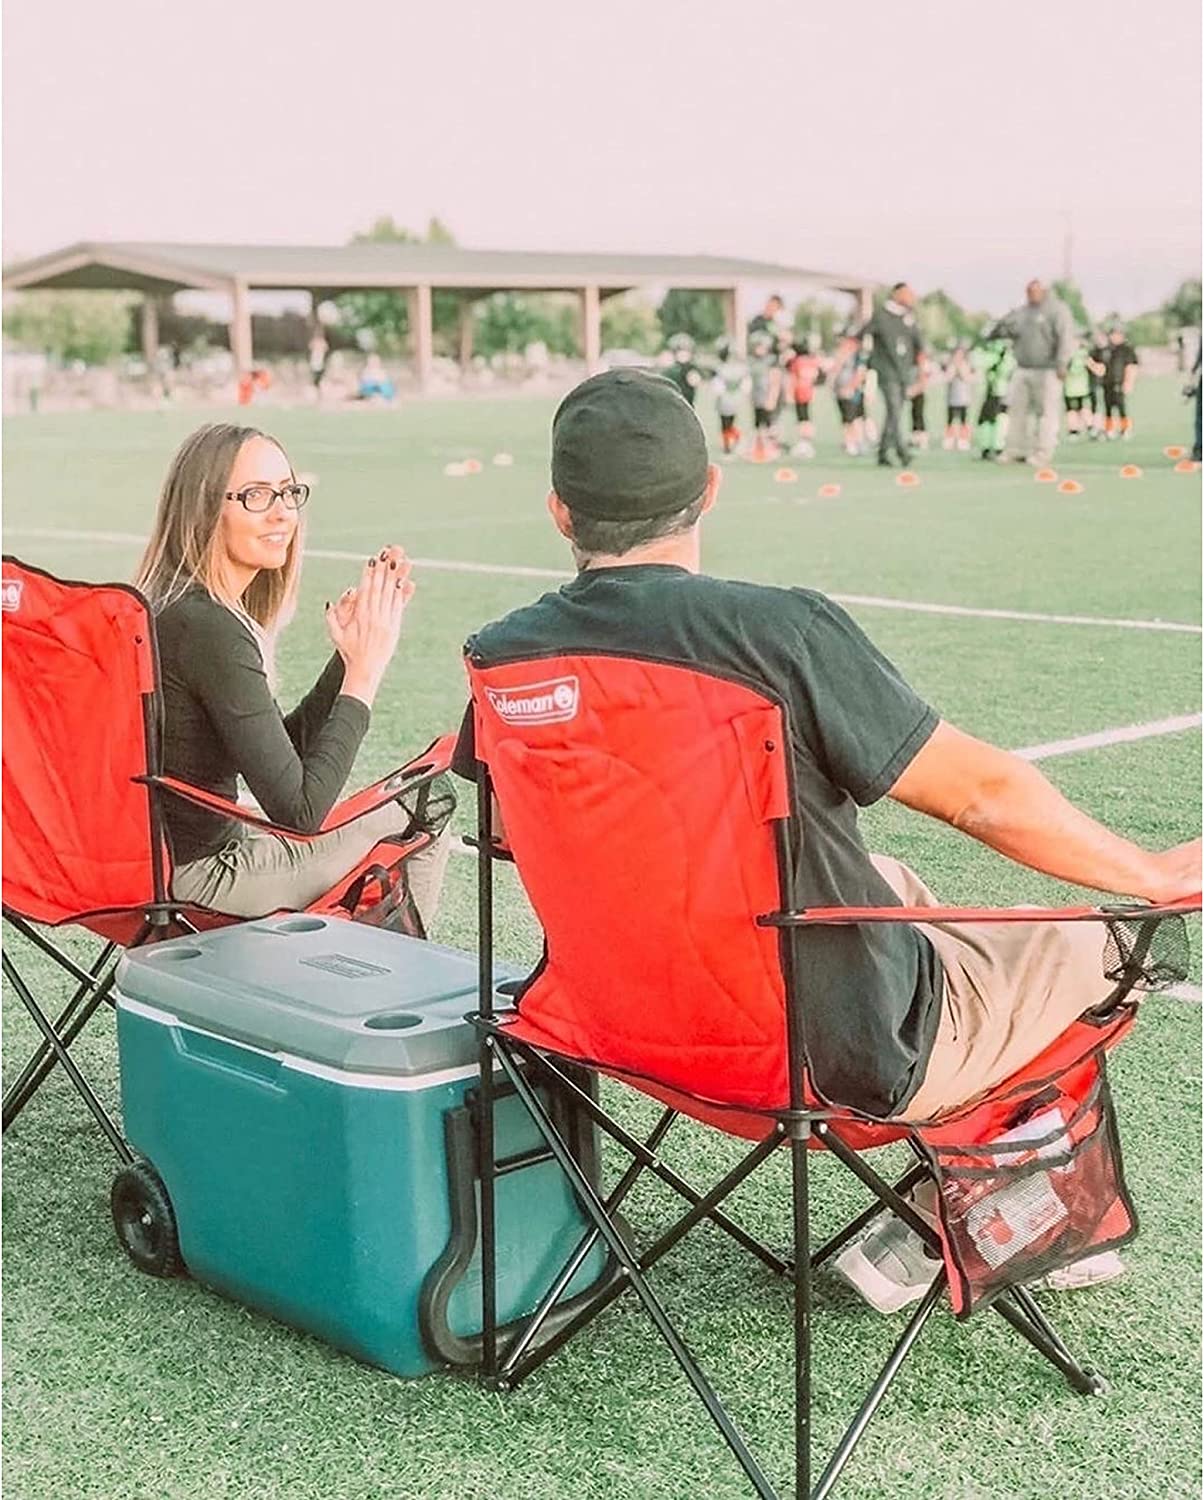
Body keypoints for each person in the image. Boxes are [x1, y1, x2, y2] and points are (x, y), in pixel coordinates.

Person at [452, 369, 1198, 1306]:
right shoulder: (777, 633)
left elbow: (522, 835)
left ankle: (960, 1208)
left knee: (889, 880)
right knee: (1106, 935)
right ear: (711, 488)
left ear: (560, 512)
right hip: (822, 1057)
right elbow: (984, 797)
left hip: (612, 1030)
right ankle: (982, 1211)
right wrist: (1149, 872)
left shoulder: (502, 656)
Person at [133, 422, 452, 924]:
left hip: (137, 865)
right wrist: (364, 675)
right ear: (203, 507)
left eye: (288, 491)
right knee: (422, 811)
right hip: (199, 877)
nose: (284, 512)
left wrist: (345, 661)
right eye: (257, 495)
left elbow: (274, 761)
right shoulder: (210, 628)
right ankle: (391, 988)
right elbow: (301, 812)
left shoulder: (163, 606)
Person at [990, 280, 1075, 465]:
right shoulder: (1022, 312)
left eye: (1034, 290)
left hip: (1048, 369)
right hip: (1023, 367)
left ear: (1044, 291)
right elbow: (1007, 330)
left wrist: (1062, 363)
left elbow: (1066, 337)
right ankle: (1015, 449)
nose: (1031, 294)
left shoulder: (1057, 310)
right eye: (1028, 291)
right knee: (1017, 412)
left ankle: (1043, 452)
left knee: (1046, 413)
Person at [852, 282, 925, 468]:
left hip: (904, 373)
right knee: (894, 409)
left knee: (896, 412)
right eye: (907, 294)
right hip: (886, 372)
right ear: (896, 294)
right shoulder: (880, 316)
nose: (911, 298)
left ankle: (883, 452)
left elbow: (919, 348)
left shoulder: (908, 319)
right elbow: (858, 337)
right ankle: (902, 451)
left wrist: (922, 375)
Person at [1088, 325, 1139, 440]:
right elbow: (1094, 361)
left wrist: (1129, 382)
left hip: (1119, 382)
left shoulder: (1126, 349)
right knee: (1108, 408)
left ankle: (1125, 429)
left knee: (1121, 408)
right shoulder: (1106, 349)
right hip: (1107, 383)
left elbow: (1131, 366)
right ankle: (1109, 429)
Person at [972, 332, 1016, 460]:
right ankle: (990, 447)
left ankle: (995, 447)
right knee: (989, 420)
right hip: (993, 391)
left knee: (996, 419)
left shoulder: (1001, 355)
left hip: (999, 392)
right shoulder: (997, 354)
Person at [784, 333, 823, 456]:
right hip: (808, 393)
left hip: (799, 393)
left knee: (802, 419)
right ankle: (806, 442)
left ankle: (804, 443)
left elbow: (790, 374)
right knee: (806, 417)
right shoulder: (812, 361)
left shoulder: (797, 361)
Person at [711, 336, 751, 457]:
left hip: (727, 399)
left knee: (726, 424)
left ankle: (730, 444)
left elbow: (718, 386)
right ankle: (729, 444)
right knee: (728, 424)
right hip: (734, 398)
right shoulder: (739, 368)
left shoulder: (723, 368)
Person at [832, 330, 869, 456]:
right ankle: (850, 442)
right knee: (846, 419)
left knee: (853, 419)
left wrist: (850, 387)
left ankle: (857, 443)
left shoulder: (858, 355)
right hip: (840, 390)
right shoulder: (842, 355)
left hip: (851, 391)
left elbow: (860, 373)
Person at [747, 329, 781, 461]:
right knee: (758, 425)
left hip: (768, 397)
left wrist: (772, 398)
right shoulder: (753, 361)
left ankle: (772, 448)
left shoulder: (771, 361)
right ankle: (760, 448)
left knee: (770, 425)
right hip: (757, 398)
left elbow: (775, 381)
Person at [942, 341, 974, 451]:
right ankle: (949, 439)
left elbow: (967, 378)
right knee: (950, 419)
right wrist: (953, 368)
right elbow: (947, 378)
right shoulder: (951, 365)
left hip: (963, 398)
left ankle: (963, 440)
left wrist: (960, 368)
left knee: (963, 420)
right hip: (952, 398)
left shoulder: (966, 364)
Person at [662, 333, 705, 407]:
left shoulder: (691, 369)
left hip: (686, 408)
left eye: (686, 351)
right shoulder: (670, 370)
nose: (683, 354)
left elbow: (694, 381)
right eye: (680, 351)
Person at [1062, 338, 1092, 440]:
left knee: (1078, 410)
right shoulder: (1083, 354)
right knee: (1075, 410)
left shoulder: (1070, 355)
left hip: (1077, 388)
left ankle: (1078, 430)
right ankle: (1080, 430)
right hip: (1075, 388)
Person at [1085, 326, 1110, 439]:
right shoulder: (1093, 351)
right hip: (1095, 384)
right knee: (1096, 407)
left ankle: (1107, 429)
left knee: (1108, 406)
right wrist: (1096, 368)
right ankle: (1097, 429)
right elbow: (1090, 363)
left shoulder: (1110, 350)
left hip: (1109, 384)